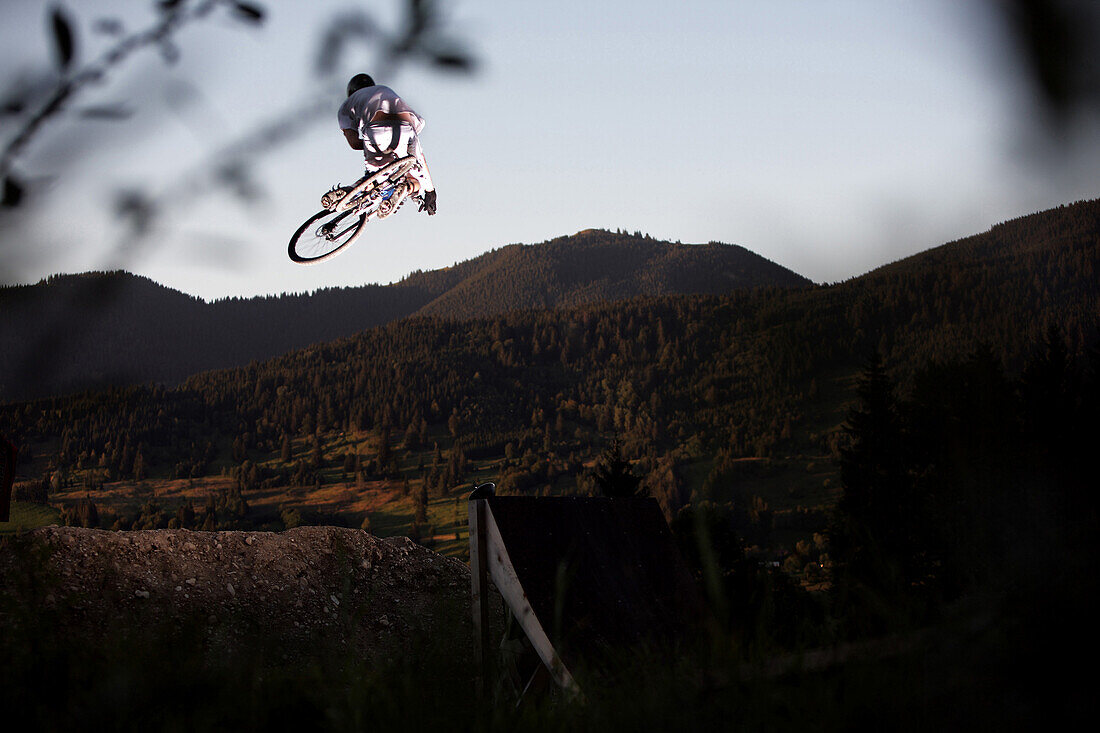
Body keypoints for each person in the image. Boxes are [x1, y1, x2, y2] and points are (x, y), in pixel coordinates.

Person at [338, 73, 436, 215]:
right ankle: (404, 189)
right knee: (415, 177)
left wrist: (374, 149)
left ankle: (345, 192)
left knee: (375, 177)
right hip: (405, 128)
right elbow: (419, 157)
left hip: (374, 130)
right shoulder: (385, 90)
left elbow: (354, 143)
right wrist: (430, 191)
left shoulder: (346, 105)